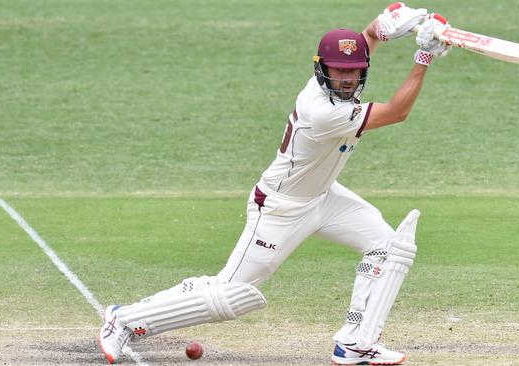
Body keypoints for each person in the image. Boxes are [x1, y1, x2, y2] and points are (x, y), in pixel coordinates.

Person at [98, 2, 451, 364]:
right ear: (321, 70)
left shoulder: (342, 84)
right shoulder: (324, 111)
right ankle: (123, 320)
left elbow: (366, 39)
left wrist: (386, 24)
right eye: (338, 71)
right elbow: (397, 112)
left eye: (354, 71)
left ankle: (356, 343)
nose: (346, 79)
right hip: (281, 210)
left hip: (322, 198)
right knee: (232, 294)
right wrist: (423, 57)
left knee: (389, 248)